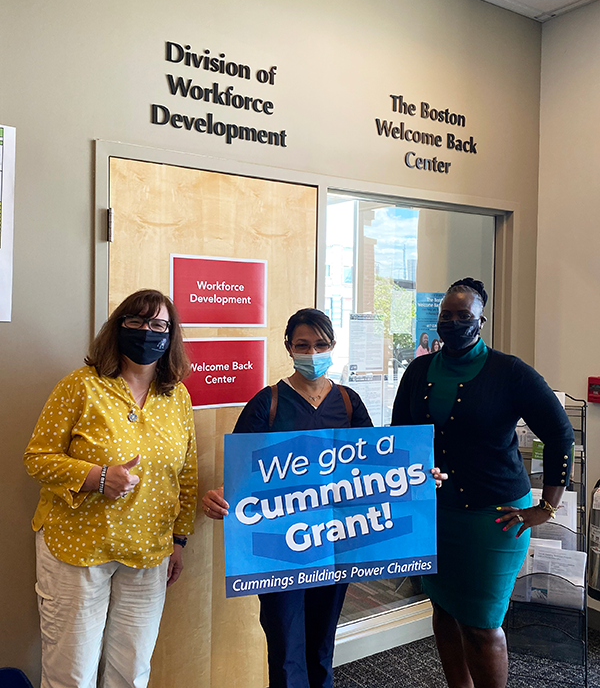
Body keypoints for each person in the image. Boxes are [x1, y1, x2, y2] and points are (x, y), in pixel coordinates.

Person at [203, 308, 445, 688]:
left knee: (321, 646)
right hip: (280, 550)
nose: (312, 353)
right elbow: (240, 478)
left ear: (332, 346)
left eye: (320, 344)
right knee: (285, 647)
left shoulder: (349, 403)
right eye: (302, 345)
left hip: (334, 543)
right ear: (288, 347)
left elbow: (377, 469)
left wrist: (416, 477)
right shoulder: (267, 404)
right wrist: (220, 499)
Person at [391, 278, 574, 688]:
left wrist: (546, 507)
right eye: (446, 316)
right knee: (442, 610)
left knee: (482, 624)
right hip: (434, 513)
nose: (453, 323)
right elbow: (399, 437)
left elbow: (561, 435)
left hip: (494, 520)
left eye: (463, 316)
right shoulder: (419, 370)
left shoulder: (509, 372)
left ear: (481, 321)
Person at [24, 289, 198, 688]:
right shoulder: (81, 386)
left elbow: (185, 477)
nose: (147, 331)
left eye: (158, 325)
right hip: (78, 548)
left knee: (131, 671)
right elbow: (38, 457)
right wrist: (97, 477)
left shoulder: (178, 398)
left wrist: (179, 540)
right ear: (118, 328)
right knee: (71, 673)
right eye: (136, 322)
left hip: (148, 552)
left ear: (171, 336)